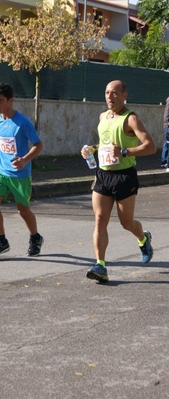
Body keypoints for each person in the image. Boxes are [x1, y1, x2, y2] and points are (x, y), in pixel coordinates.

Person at [81, 80, 157, 283]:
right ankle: (101, 265)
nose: (109, 96)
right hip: (103, 174)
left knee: (126, 223)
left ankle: (143, 238)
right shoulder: (103, 116)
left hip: (124, 176)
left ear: (124, 95)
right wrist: (93, 150)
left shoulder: (131, 119)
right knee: (99, 220)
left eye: (114, 93)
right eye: (107, 92)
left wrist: (125, 151)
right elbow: (107, 143)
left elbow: (151, 147)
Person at [0, 82, 44, 258]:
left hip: (20, 174)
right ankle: (1, 241)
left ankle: (35, 238)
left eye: (0, 101)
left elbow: (39, 145)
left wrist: (25, 160)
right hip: (1, 172)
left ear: (11, 101)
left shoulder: (22, 122)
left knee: (22, 210)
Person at [161, 97, 169, 169]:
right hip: (168, 126)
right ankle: (166, 163)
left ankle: (164, 162)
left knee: (166, 143)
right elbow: (166, 115)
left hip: (166, 126)